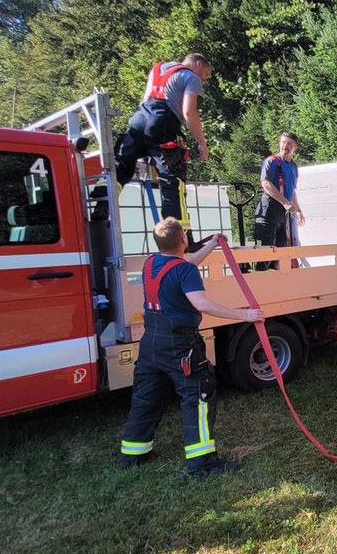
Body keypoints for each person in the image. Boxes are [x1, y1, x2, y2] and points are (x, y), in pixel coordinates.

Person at [119, 217, 264, 477]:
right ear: (183, 240)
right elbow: (202, 304)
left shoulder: (152, 263)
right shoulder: (184, 271)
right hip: (179, 344)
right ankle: (203, 464)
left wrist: (213, 244)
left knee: (146, 397)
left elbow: (184, 263)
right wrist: (246, 316)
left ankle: (132, 454)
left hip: (151, 342)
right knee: (198, 397)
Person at [114, 53, 213, 242]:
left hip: (138, 122)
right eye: (206, 74)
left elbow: (144, 101)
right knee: (173, 183)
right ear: (198, 64)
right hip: (163, 126)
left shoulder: (157, 69)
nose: (205, 79)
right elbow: (188, 112)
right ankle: (181, 240)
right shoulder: (191, 77)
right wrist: (201, 142)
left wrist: (145, 147)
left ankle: (102, 206)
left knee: (120, 169)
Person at [252, 131, 305, 270]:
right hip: (269, 210)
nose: (285, 146)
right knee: (267, 252)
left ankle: (279, 284)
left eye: (289, 144)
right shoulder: (272, 162)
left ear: (295, 148)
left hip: (282, 212)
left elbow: (292, 190)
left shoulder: (293, 166)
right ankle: (261, 283)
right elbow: (266, 184)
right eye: (283, 142)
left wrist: (298, 210)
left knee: (282, 250)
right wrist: (285, 202)